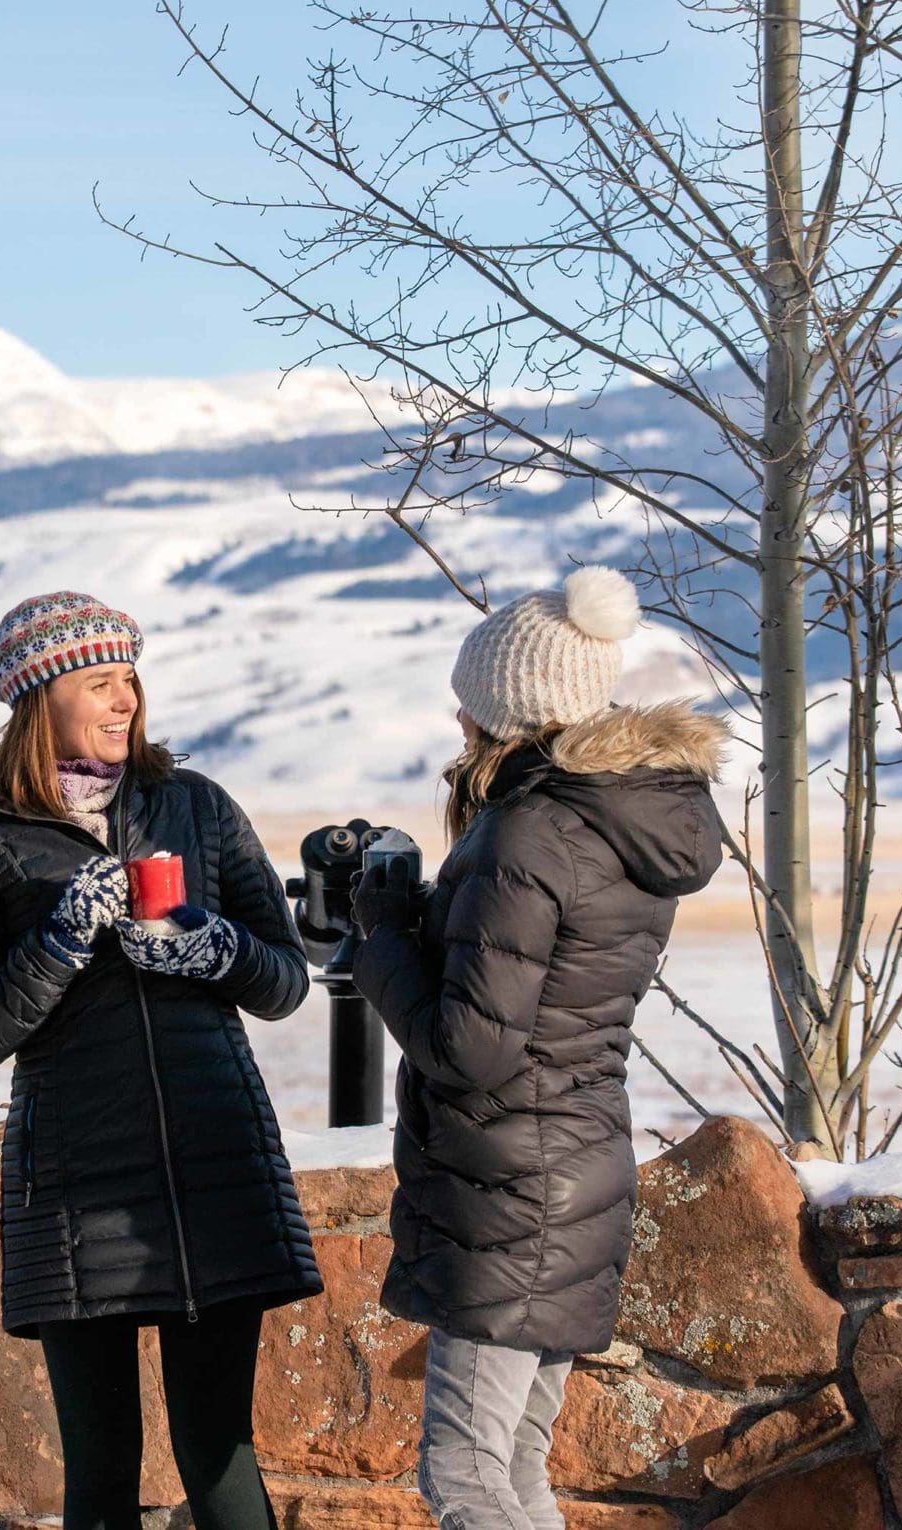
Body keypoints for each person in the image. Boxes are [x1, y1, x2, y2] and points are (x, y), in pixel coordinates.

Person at [0, 591, 322, 1530]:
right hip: (75, 1187)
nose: (126, 699)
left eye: (131, 677)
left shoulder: (196, 806)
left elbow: (285, 981)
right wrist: (62, 941)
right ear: (40, 697)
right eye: (101, 680)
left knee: (217, 1451)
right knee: (101, 1467)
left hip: (215, 1169)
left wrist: (211, 948)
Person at [349, 566, 725, 1530]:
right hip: (579, 1168)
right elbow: (546, 993)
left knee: (467, 1479)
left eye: (467, 712)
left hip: (506, 1186)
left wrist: (386, 933)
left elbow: (469, 1047)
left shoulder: (528, 835)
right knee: (515, 1466)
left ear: (502, 714)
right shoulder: (616, 822)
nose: (458, 730)